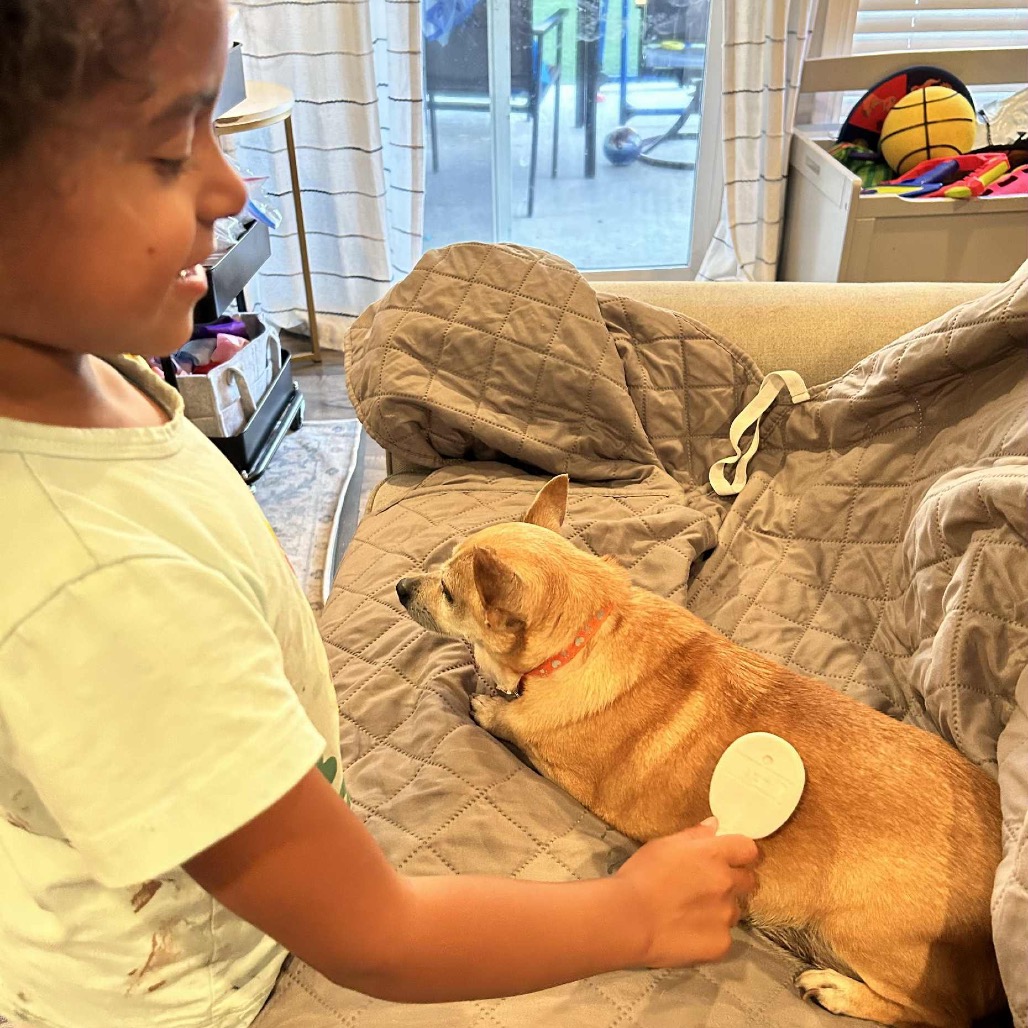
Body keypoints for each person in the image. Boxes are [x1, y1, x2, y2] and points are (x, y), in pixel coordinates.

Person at [0, 1, 759, 1025]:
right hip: (190, 989)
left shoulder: (83, 363)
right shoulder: (98, 577)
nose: (232, 183)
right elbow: (375, 932)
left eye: (213, 126)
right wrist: (629, 912)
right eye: (164, 149)